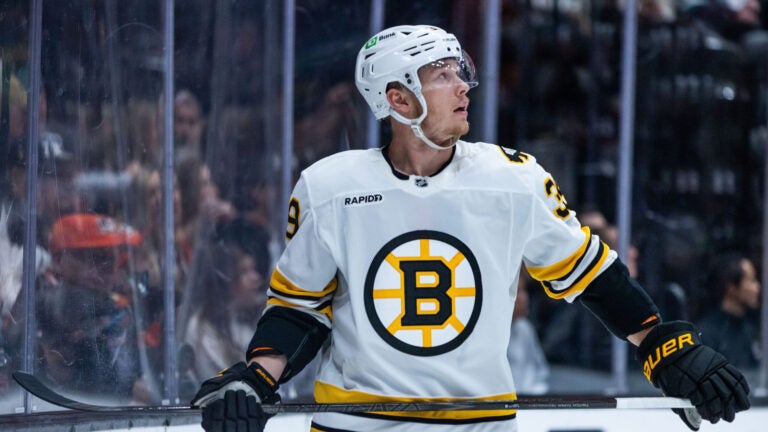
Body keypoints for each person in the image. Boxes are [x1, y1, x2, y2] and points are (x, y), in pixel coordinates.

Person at [191, 25, 750, 432]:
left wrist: (661, 343)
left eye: (462, 72)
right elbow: (299, 308)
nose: (464, 87)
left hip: (479, 426)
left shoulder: (513, 179)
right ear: (398, 98)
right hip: (354, 427)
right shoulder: (328, 187)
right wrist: (256, 378)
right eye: (442, 75)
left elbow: (593, 276)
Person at [697, 252, 762, 369]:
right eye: (751, 280)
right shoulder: (707, 334)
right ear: (732, 288)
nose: (757, 287)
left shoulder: (752, 330)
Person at [507, 269, 549, 395]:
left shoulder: (525, 328)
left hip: (530, 403)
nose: (524, 297)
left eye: (525, 291)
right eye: (517, 291)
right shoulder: (488, 335)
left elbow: (541, 371)